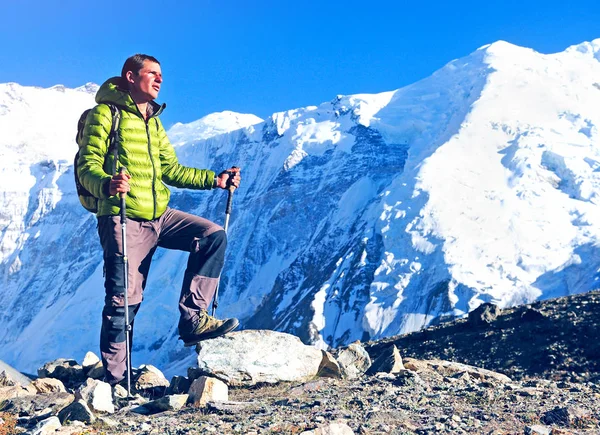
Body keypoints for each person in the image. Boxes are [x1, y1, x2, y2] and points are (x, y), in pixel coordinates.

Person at [77, 54, 240, 385]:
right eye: (152, 73)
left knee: (212, 236)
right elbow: (87, 164)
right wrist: (107, 184)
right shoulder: (105, 114)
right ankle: (116, 382)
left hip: (159, 215)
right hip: (123, 216)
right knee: (124, 299)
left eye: (161, 74)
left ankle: (193, 319)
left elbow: (170, 170)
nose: (160, 79)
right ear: (131, 77)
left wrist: (215, 180)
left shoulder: (153, 120)